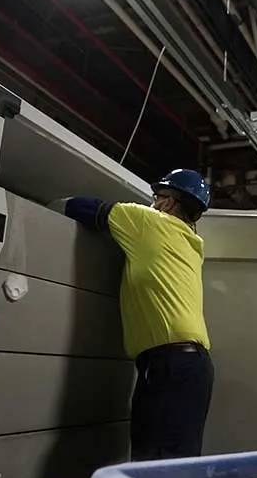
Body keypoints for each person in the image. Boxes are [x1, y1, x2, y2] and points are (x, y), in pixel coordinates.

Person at [50, 169, 215, 460]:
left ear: (168, 203)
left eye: (157, 197)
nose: (153, 203)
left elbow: (80, 207)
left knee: (154, 463)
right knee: (173, 461)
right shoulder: (190, 244)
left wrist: (41, 208)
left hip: (170, 365)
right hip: (189, 366)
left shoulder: (148, 222)